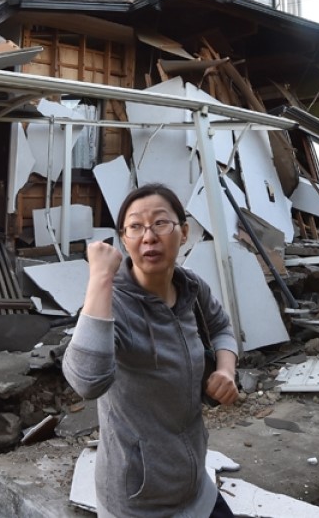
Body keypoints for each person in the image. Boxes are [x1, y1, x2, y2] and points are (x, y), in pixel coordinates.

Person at [62, 183, 240, 518]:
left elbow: (221, 328)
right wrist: (100, 277)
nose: (149, 235)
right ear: (124, 239)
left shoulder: (191, 288)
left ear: (183, 232)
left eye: (160, 223)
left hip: (194, 484)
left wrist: (225, 369)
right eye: (135, 226)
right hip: (138, 500)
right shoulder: (112, 304)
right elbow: (87, 381)